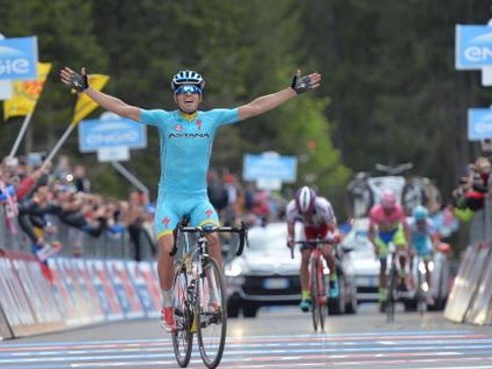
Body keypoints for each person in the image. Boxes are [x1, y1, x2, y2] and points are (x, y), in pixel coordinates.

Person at [60, 66, 321, 332]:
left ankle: (216, 298)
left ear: (200, 97)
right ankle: (167, 304)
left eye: (193, 91)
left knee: (215, 238)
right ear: (175, 97)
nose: (188, 95)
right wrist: (88, 89)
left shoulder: (212, 119)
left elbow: (254, 107)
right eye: (182, 91)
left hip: (198, 199)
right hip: (170, 200)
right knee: (167, 247)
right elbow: (123, 109)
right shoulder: (164, 119)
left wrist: (291, 91)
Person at [285, 186, 338, 312]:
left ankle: (332, 278)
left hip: (324, 228)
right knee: (304, 258)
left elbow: (332, 227)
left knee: (328, 253)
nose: (306, 214)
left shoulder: (323, 205)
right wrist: (291, 240)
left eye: (308, 211)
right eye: (303, 213)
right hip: (307, 230)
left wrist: (333, 238)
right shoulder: (291, 208)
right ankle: (305, 296)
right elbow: (291, 231)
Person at [367, 189, 411, 310]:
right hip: (382, 236)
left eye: (390, 209)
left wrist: (406, 244)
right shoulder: (375, 211)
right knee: (383, 266)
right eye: (386, 209)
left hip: (395, 233)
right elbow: (370, 232)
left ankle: (402, 275)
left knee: (401, 252)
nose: (388, 211)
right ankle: (382, 294)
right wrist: (374, 245)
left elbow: (406, 228)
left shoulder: (399, 210)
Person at [407, 205, 437, 304]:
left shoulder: (430, 224)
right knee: (410, 258)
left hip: (424, 243)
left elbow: (432, 239)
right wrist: (410, 249)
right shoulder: (410, 225)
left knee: (427, 264)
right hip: (415, 242)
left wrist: (433, 248)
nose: (420, 224)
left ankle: (428, 292)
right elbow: (409, 239)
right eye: (418, 222)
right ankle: (411, 280)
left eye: (422, 221)